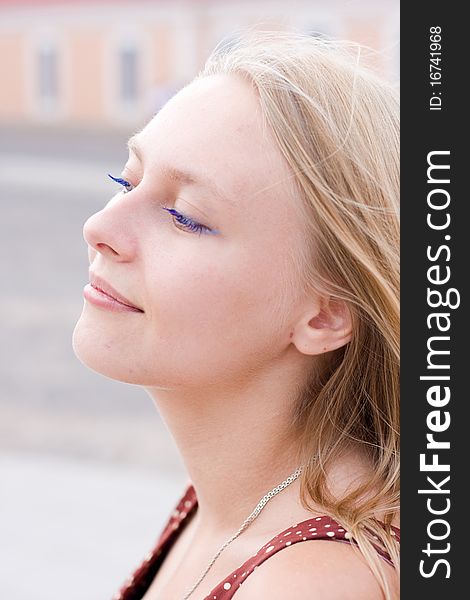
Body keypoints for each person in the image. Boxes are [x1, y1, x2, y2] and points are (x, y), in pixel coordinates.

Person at [72, 29, 400, 600]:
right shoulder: (236, 497)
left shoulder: (314, 583)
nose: (99, 229)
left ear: (324, 316)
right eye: (125, 179)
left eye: (186, 217)